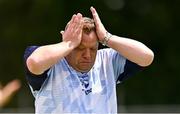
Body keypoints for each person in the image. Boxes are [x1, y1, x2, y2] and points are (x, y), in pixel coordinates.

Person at [24, 6, 154, 113]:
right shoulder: (51, 64)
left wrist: (106, 38)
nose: (87, 55)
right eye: (80, 48)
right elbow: (34, 62)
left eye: (92, 48)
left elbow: (146, 57)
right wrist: (67, 44)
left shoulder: (107, 61)